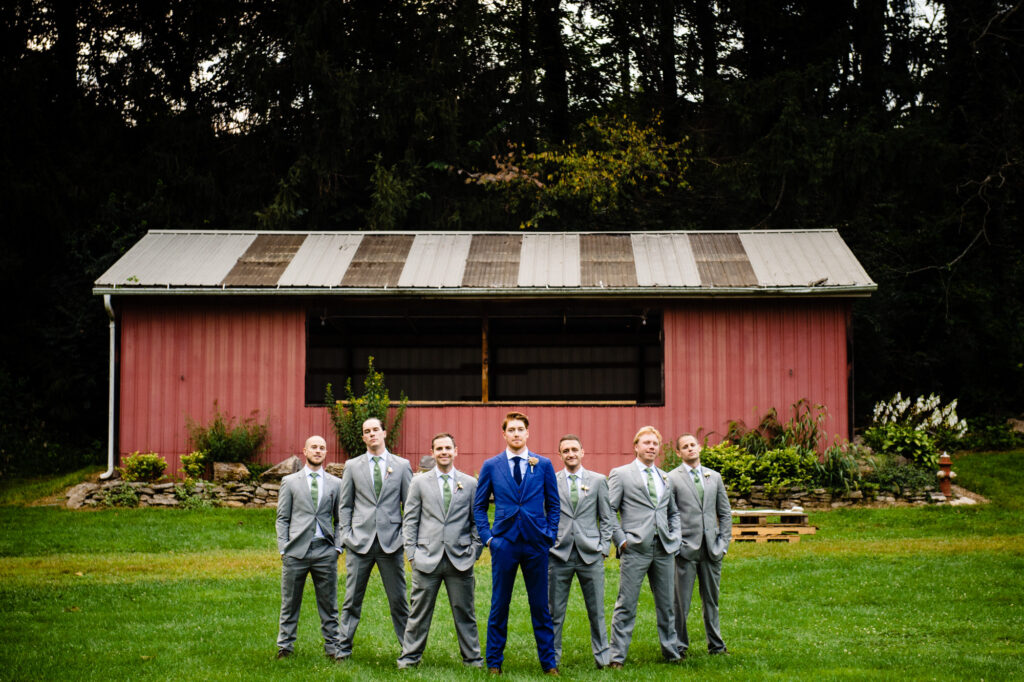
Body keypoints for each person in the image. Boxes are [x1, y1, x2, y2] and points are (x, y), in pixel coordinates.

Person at [473, 411, 561, 675]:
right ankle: (494, 663)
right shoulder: (491, 465)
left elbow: (554, 504)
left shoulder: (543, 465)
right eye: (511, 430)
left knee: (540, 606)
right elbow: (479, 506)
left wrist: (550, 534)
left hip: (536, 543)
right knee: (499, 604)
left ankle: (549, 664)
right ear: (504, 434)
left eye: (520, 429)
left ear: (528, 433)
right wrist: (489, 538)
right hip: (504, 543)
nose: (516, 434)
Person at [397, 433, 484, 669]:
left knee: (465, 612)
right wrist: (412, 553)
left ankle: (473, 659)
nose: (444, 452)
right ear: (433, 452)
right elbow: (410, 520)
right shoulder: (419, 483)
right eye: (439, 448)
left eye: (448, 448)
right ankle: (409, 658)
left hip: (460, 559)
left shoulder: (470, 483)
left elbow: (477, 521)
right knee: (418, 614)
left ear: (456, 451)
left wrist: (475, 550)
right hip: (426, 558)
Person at [606, 426, 683, 668]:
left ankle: (671, 651)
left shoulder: (665, 476)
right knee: (626, 603)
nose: (651, 447)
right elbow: (608, 511)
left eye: (655, 443)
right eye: (646, 442)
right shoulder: (621, 474)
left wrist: (676, 537)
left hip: (663, 548)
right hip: (635, 548)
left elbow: (673, 512)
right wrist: (620, 540)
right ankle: (617, 656)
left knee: (667, 603)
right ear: (636, 446)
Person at [337, 417, 413, 659]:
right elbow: (345, 505)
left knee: (399, 601)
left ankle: (409, 649)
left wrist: (404, 537)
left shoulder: (401, 465)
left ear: (384, 433)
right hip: (359, 542)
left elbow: (410, 506)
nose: (371, 434)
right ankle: (342, 648)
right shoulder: (352, 466)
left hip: (391, 543)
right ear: (363, 437)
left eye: (375, 430)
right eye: (366, 431)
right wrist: (346, 535)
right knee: (351, 600)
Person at [547, 434, 616, 669]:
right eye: (565, 450)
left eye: (574, 449)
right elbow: (544, 515)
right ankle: (552, 659)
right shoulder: (551, 481)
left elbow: (607, 517)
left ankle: (603, 657)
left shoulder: (597, 481)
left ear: (582, 452)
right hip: (559, 554)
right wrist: (548, 544)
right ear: (560, 455)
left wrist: (604, 548)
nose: (571, 454)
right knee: (554, 613)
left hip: (590, 554)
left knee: (596, 611)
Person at [275, 435, 344, 660]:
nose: (318, 451)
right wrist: (283, 548)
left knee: (329, 603)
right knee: (290, 601)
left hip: (325, 551)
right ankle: (285, 646)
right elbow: (282, 518)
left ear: (326, 453)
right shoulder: (290, 482)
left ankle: (333, 647)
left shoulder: (336, 484)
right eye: (314, 447)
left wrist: (337, 547)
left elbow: (340, 519)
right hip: (296, 551)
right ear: (304, 451)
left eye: (322, 448)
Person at [668, 433, 732, 657]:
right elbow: (669, 514)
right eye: (684, 447)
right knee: (680, 603)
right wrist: (675, 544)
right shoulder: (672, 478)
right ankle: (679, 646)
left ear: (700, 448)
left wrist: (723, 543)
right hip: (685, 549)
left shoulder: (714, 477)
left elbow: (724, 512)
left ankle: (716, 645)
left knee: (711, 601)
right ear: (679, 453)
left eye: (692, 445)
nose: (690, 449)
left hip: (712, 549)